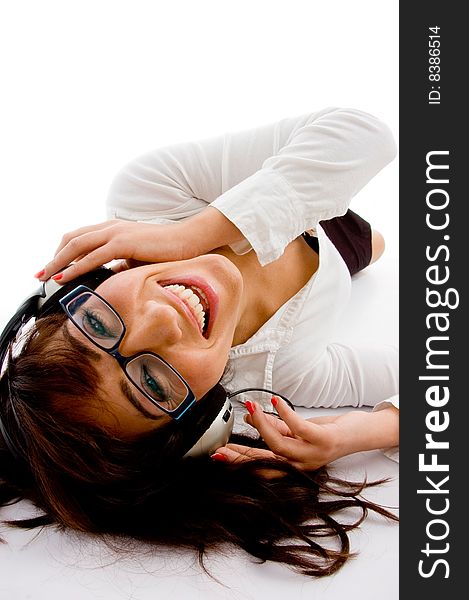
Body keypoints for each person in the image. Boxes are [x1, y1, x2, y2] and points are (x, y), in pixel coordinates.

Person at [0, 106, 398, 578]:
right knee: (376, 246)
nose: (162, 322)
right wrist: (356, 435)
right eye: (152, 381)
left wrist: (192, 233)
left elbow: (364, 134)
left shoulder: (149, 194)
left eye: (98, 325)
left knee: (333, 181)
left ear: (72, 290)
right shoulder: (288, 370)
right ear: (204, 420)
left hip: (263, 184)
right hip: (339, 255)